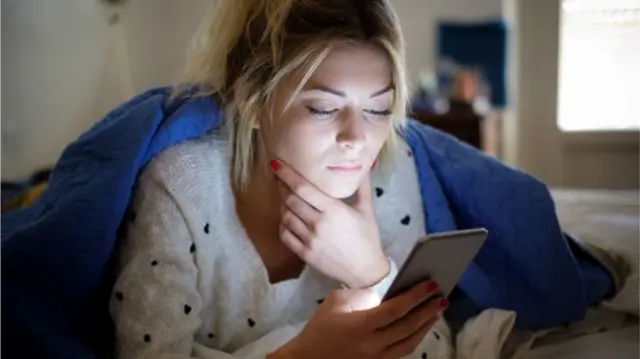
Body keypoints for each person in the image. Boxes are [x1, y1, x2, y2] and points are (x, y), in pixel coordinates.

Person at [109, 1, 453, 358]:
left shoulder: (389, 171)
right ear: (252, 102)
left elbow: (439, 350)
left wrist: (371, 271)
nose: (357, 138)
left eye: (378, 110)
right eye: (323, 108)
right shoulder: (182, 185)